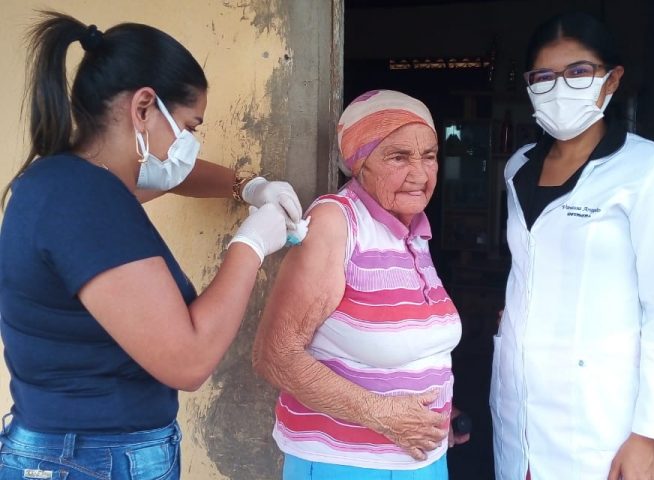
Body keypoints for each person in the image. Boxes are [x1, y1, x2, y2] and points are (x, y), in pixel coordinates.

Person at [0, 11, 303, 480]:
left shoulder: (64, 182)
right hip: (90, 459)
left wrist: (248, 186)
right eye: (189, 127)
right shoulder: (84, 199)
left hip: (78, 451)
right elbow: (189, 361)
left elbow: (170, 177)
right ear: (143, 107)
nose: (189, 144)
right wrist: (251, 244)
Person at [491, 12, 654, 480]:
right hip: (518, 407)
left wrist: (648, 435)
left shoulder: (651, 170)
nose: (560, 88)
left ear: (612, 79)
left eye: (579, 72)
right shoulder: (518, 166)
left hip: (602, 419)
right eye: (544, 76)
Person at [252, 89, 469, 480]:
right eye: (399, 157)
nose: (420, 174)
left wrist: (438, 410)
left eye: (429, 156)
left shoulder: (412, 231)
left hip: (424, 460)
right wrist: (383, 414)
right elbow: (275, 355)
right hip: (345, 464)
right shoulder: (337, 222)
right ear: (359, 164)